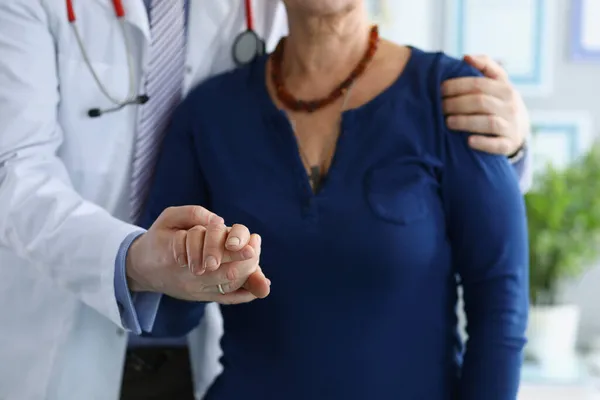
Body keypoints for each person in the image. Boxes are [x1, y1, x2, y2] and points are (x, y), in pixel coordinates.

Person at [0, 1, 529, 400]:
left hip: (186, 369)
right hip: (54, 324)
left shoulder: (449, 92)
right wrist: (154, 262)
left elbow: (499, 299)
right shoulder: (211, 111)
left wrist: (514, 147)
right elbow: (14, 171)